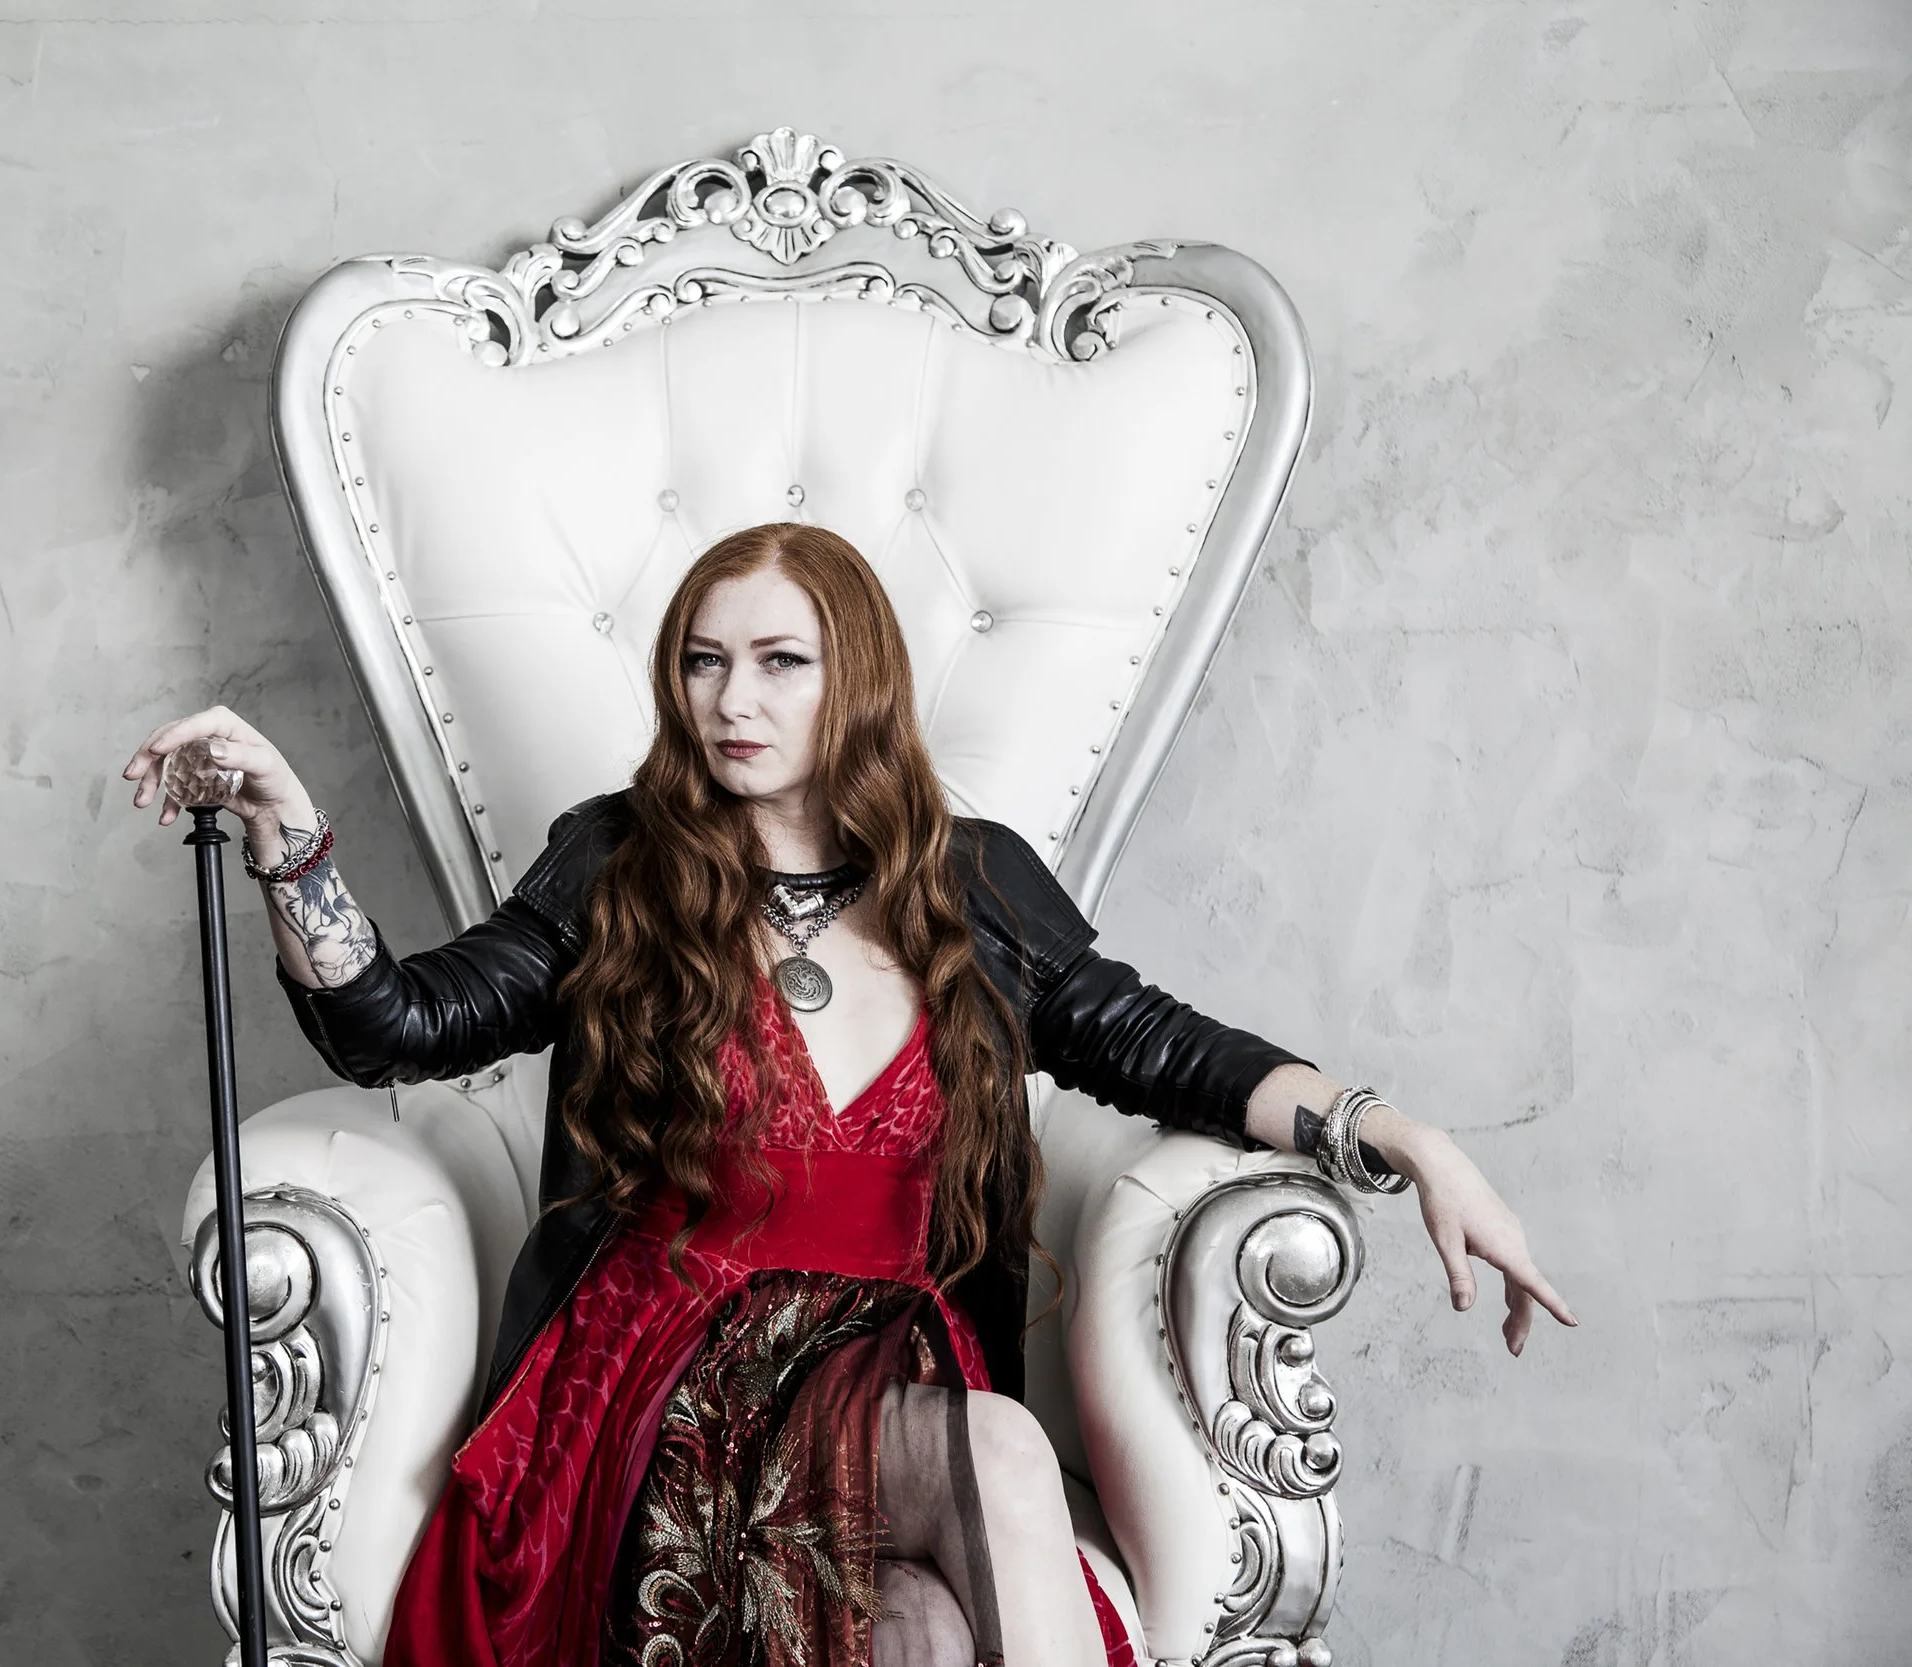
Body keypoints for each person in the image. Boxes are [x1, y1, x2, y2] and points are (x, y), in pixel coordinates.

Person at [122, 524, 1575, 1667]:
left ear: (858, 675)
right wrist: (290, 839)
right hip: (668, 1380)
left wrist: (1404, 1136)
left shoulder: (977, 881)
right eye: (701, 661)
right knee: (999, 1443)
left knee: (922, 1637)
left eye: (778, 661)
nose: (731, 699)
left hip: (890, 1376)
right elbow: (399, 1025)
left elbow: (1165, 1046)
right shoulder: (613, 861)